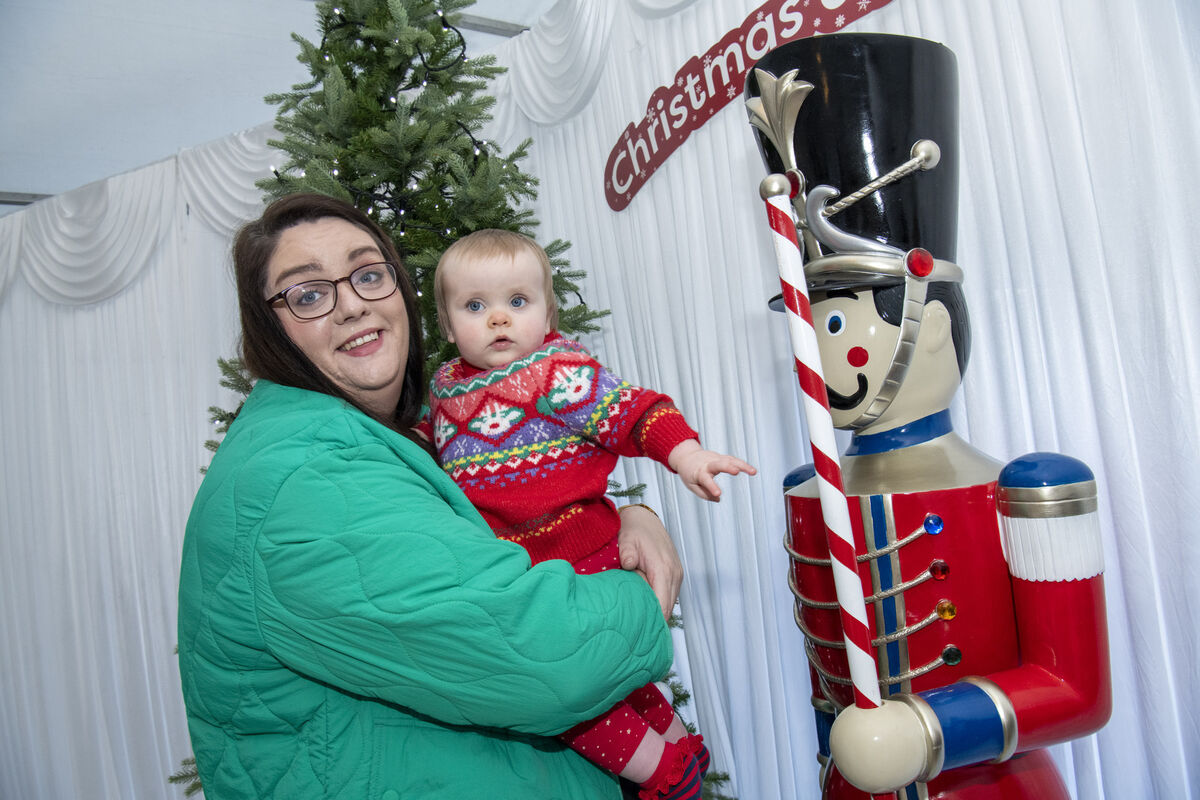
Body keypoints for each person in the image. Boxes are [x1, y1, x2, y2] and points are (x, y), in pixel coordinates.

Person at [176, 193, 687, 800]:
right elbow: (545, 655)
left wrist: (632, 514)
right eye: (308, 294)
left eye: (369, 274)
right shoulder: (308, 477)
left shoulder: (389, 433)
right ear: (268, 328)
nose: (352, 305)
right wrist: (643, 585)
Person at [748, 34, 1111, 798]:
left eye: (840, 323)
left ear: (935, 324)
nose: (818, 343)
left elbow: (1077, 689)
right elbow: (828, 692)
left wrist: (925, 730)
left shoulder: (1034, 490)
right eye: (813, 321)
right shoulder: (806, 491)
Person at [428, 229, 756, 800]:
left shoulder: (558, 373)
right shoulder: (443, 394)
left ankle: (664, 768)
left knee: (572, 690)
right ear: (448, 324)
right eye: (475, 306)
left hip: (585, 556)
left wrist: (688, 455)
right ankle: (678, 751)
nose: (498, 320)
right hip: (516, 574)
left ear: (548, 311)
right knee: (595, 683)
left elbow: (633, 412)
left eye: (518, 302)